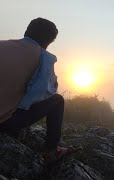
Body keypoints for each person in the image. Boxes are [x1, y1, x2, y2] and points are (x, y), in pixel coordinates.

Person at [0, 18, 70, 161]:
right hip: (4, 123)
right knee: (57, 101)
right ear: (48, 42)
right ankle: (52, 150)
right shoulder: (44, 57)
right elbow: (44, 93)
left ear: (27, 31)